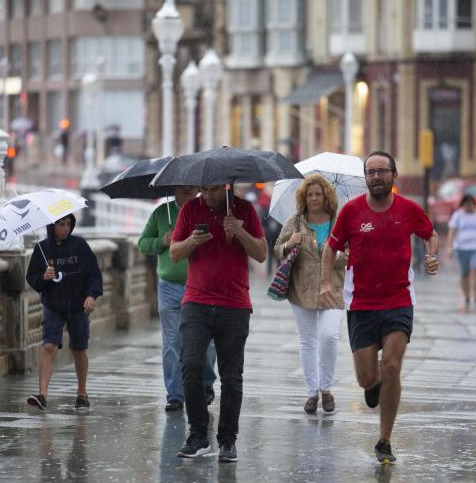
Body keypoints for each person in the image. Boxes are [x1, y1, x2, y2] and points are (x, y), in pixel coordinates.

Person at [320, 151, 439, 464]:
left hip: (399, 299)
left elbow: (431, 234)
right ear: (365, 178)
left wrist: (432, 255)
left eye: (382, 171)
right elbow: (330, 249)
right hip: (361, 303)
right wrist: (325, 284)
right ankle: (372, 385)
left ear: (394, 175)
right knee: (365, 378)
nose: (376, 177)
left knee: (392, 367)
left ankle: (384, 440)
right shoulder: (351, 212)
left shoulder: (409, 209)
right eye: (370, 172)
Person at [169, 185, 267, 462]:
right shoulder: (190, 210)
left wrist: (239, 230)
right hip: (196, 301)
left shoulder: (244, 210)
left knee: (231, 376)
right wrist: (193, 242)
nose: (208, 194)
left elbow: (261, 254)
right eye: (205, 188)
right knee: (190, 364)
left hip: (234, 304)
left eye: (214, 189)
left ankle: (227, 440)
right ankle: (198, 435)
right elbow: (175, 252)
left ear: (226, 185)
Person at [138, 186, 218, 413]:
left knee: (208, 343)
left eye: (192, 192)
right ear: (174, 192)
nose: (188, 197)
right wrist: (162, 241)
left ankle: (205, 383)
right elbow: (143, 243)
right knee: (172, 343)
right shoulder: (162, 213)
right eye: (183, 193)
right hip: (169, 287)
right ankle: (175, 394)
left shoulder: (206, 212)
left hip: (201, 286)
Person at [273, 174, 347, 415]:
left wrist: (334, 256)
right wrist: (289, 244)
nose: (314, 198)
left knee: (329, 337)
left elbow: (351, 254)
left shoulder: (339, 222)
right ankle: (312, 393)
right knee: (307, 340)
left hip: (332, 287)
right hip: (301, 288)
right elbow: (276, 249)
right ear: (304, 198)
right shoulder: (295, 222)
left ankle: (326, 388)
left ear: (327, 197)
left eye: (318, 194)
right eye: (310, 194)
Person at [25, 213, 102, 410]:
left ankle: (82, 393)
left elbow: (94, 272)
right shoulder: (42, 249)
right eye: (61, 224)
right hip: (53, 306)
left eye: (68, 224)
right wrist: (44, 277)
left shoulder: (80, 246)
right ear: (52, 226)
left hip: (78, 307)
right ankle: (42, 395)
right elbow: (33, 278)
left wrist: (92, 295)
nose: (65, 228)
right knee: (49, 346)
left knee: (79, 349)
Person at [446, 194, 476, 309]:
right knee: (464, 274)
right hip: (461, 249)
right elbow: (452, 232)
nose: (468, 207)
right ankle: (467, 297)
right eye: (466, 204)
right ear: (462, 205)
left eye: (470, 204)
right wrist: (450, 248)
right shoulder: (458, 216)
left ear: (474, 204)